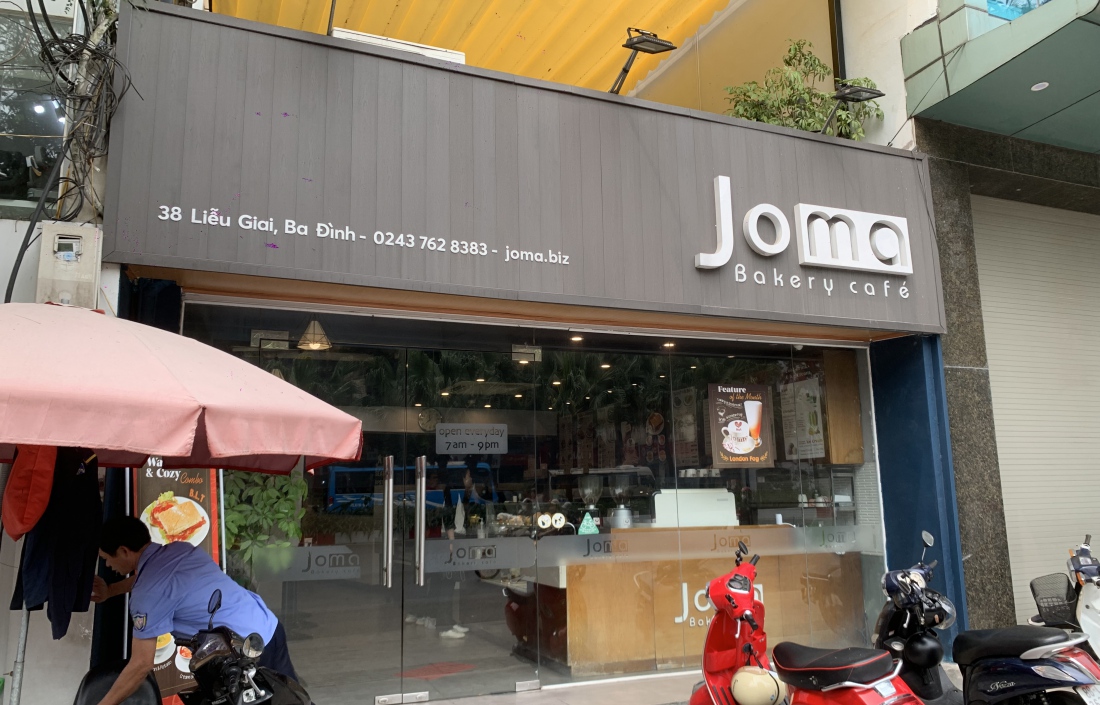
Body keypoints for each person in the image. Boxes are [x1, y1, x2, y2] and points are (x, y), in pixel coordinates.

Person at [91, 516, 300, 705]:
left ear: (124, 551)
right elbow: (152, 579)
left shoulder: (146, 594)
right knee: (292, 698)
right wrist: (111, 590)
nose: (107, 565)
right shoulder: (180, 550)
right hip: (266, 625)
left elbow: (140, 665)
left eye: (106, 558)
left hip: (244, 654)